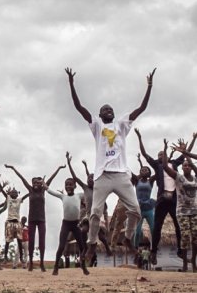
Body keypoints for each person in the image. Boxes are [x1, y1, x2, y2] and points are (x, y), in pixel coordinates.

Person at [65, 67, 156, 263]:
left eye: (111, 110)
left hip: (122, 175)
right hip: (103, 176)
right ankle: (90, 245)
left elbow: (141, 108)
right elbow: (78, 107)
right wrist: (71, 84)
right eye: (105, 109)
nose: (109, 111)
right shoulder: (97, 125)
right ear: (100, 114)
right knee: (95, 213)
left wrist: (149, 86)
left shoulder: (122, 125)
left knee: (136, 211)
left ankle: (128, 238)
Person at [135, 128, 192, 264]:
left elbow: (185, 154)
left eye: (163, 153)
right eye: (159, 154)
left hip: (174, 200)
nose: (161, 155)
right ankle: (153, 251)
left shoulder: (175, 164)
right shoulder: (157, 165)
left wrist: (192, 140)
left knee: (178, 226)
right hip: (161, 200)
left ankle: (180, 251)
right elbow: (144, 154)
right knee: (158, 227)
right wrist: (139, 138)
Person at [4, 163, 66, 271]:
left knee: (42, 241)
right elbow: (21, 177)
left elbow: (51, 178)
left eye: (38, 182)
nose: (36, 184)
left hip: (42, 219)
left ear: (41, 184)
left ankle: (42, 263)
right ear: (32, 184)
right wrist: (13, 168)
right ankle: (31, 263)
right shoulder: (30, 190)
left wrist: (59, 168)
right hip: (32, 219)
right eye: (34, 182)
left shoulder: (43, 190)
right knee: (31, 242)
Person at [66, 152, 113, 257]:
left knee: (101, 236)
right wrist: (69, 164)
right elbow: (75, 177)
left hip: (97, 215)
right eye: (89, 178)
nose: (90, 179)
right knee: (83, 230)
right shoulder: (85, 188)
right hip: (88, 216)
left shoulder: (98, 189)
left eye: (93, 178)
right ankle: (85, 248)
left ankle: (107, 248)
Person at [161, 140, 197, 272]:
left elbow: (193, 164)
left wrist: (185, 153)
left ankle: (193, 261)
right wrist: (165, 150)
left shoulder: (196, 177)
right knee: (185, 236)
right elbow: (165, 167)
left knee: (196, 236)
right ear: (182, 167)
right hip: (182, 211)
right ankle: (185, 264)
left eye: (188, 166)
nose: (187, 167)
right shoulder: (178, 177)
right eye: (185, 166)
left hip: (194, 211)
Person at [44, 178, 90, 276]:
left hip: (76, 224)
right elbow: (50, 191)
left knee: (82, 246)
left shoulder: (79, 196)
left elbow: (89, 193)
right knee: (61, 246)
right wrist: (45, 186)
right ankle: (56, 266)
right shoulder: (62, 196)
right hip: (66, 224)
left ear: (75, 186)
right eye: (66, 184)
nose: (68, 186)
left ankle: (83, 266)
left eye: (70, 184)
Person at [0, 172, 28, 269]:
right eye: (12, 192)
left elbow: (28, 194)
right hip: (9, 222)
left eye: (15, 192)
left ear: (17, 193)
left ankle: (22, 258)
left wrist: (31, 189)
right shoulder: (8, 198)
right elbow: (2, 190)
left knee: (19, 240)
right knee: (7, 241)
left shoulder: (19, 200)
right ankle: (5, 257)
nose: (13, 193)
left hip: (17, 222)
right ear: (10, 194)